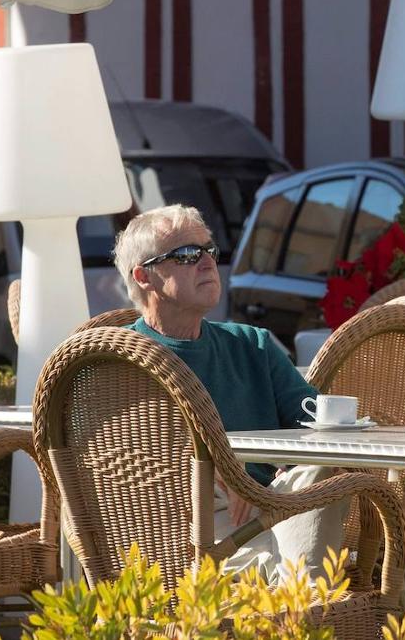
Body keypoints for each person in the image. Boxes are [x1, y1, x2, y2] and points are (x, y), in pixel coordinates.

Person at [112, 203, 347, 577]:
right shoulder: (122, 359)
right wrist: (219, 469)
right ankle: (305, 609)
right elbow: (121, 455)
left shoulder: (253, 344)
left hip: (271, 502)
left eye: (209, 250)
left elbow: (315, 422)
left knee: (323, 467)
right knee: (298, 567)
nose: (207, 262)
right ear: (144, 276)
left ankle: (296, 607)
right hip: (188, 517)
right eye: (187, 255)